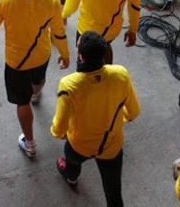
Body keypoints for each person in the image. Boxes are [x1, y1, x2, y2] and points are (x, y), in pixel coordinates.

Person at [0, 0, 70, 159]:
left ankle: (30, 144)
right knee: (38, 80)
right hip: (42, 54)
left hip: (16, 61)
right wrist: (65, 54)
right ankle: (36, 92)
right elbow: (59, 32)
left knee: (22, 103)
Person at [51, 31, 140, 206]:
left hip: (79, 145)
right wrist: (117, 121)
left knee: (71, 162)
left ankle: (71, 177)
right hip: (111, 146)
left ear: (81, 56)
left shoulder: (68, 85)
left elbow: (59, 128)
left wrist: (60, 133)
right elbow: (133, 112)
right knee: (113, 191)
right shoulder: (120, 74)